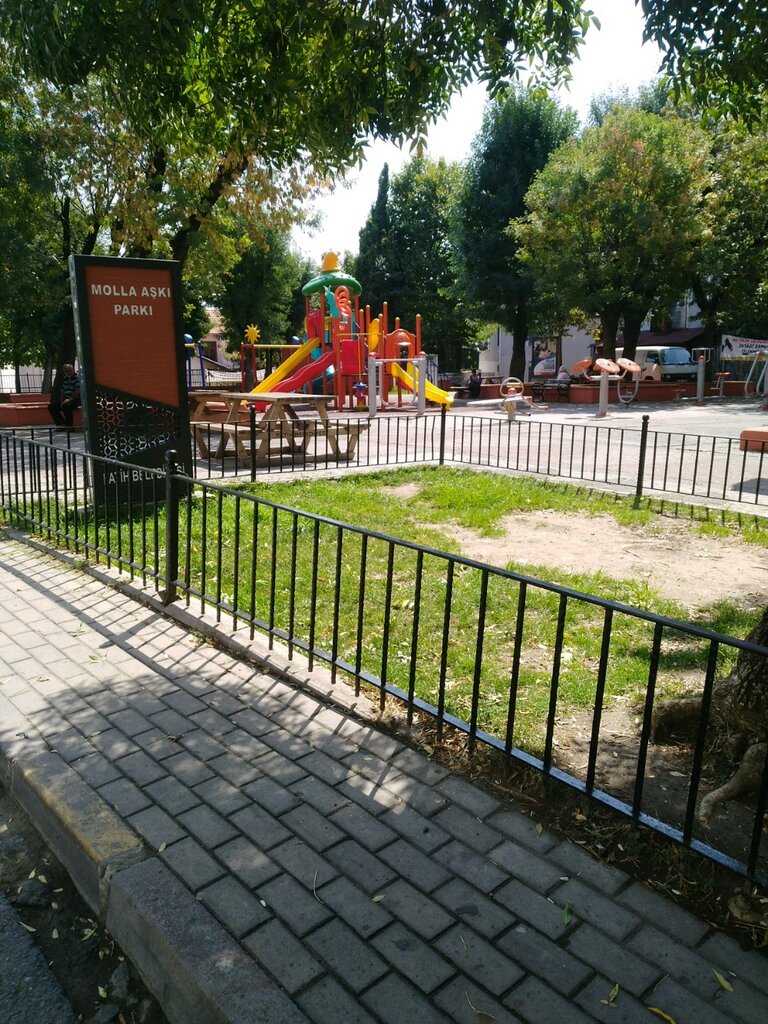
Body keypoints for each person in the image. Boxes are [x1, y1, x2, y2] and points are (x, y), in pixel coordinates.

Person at [48, 364, 81, 428]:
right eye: (66, 371)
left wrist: (70, 399)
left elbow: (77, 391)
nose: (68, 372)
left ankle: (69, 427)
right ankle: (61, 424)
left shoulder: (77, 378)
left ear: (73, 370)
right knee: (52, 407)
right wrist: (61, 402)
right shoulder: (65, 379)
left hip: (76, 399)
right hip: (67, 399)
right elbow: (62, 391)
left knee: (66, 406)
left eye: (69, 370)